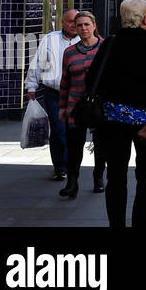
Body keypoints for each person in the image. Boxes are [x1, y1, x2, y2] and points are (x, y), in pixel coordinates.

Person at [91, 0, 146, 227]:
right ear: (145, 19)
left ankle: (116, 223)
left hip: (113, 121)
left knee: (115, 175)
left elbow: (93, 78)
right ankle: (143, 222)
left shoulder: (110, 44)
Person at [25, 8, 79, 181]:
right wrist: (31, 86)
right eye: (70, 21)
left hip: (77, 94)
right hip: (54, 93)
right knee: (58, 129)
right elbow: (38, 63)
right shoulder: (50, 39)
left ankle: (72, 164)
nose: (73, 25)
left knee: (74, 131)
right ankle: (61, 166)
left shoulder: (85, 40)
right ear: (62, 22)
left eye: (76, 22)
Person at [57, 11, 105, 199]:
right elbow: (64, 82)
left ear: (94, 25)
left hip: (99, 105)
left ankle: (98, 176)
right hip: (74, 105)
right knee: (74, 143)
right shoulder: (69, 52)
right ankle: (72, 181)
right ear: (75, 28)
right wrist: (62, 107)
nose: (83, 29)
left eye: (86, 24)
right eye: (79, 26)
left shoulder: (105, 48)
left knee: (101, 143)